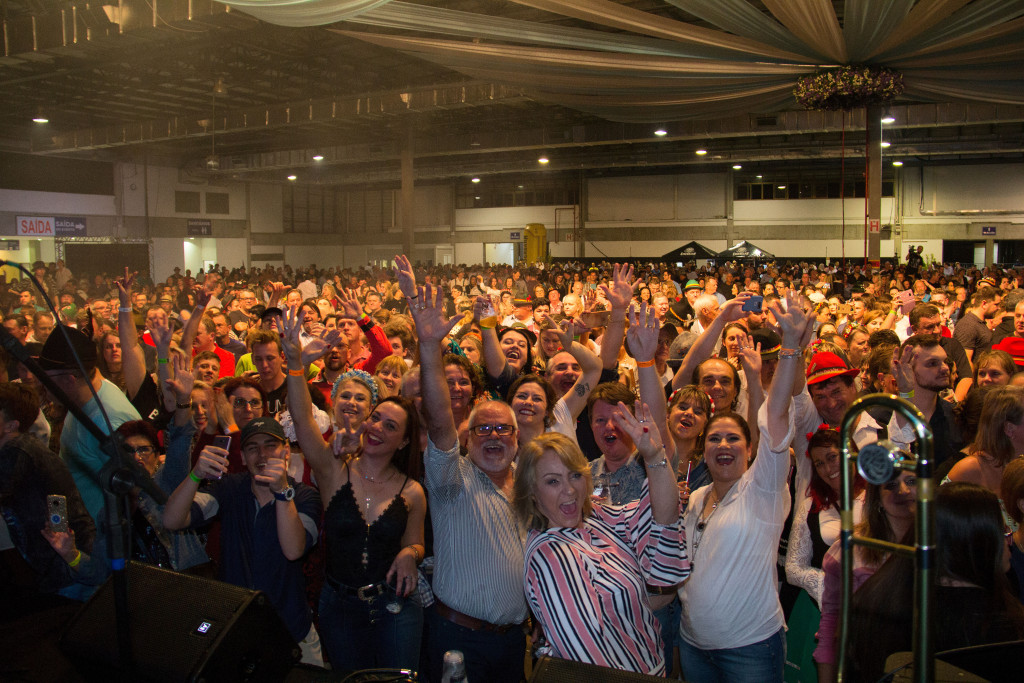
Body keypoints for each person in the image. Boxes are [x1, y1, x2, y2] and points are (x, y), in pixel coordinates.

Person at [395, 256, 529, 683]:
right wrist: (430, 346)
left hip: (512, 642)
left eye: (503, 429)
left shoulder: (529, 487)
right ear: (466, 439)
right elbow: (437, 419)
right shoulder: (450, 479)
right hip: (457, 638)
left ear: (517, 438)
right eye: (482, 429)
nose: (493, 436)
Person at [278, 305, 426, 671]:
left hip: (396, 606)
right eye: (376, 419)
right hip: (339, 605)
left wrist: (411, 554)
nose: (376, 428)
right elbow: (301, 416)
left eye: (391, 427)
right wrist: (295, 365)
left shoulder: (412, 491)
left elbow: (416, 541)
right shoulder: (333, 470)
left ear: (404, 442)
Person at [677, 290, 811, 683]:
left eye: (733, 439)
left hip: (749, 647)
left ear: (750, 448)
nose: (722, 445)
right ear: (703, 451)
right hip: (692, 645)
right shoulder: (697, 497)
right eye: (714, 439)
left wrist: (789, 346)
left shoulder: (763, 489)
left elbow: (777, 411)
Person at [514, 425, 686, 675]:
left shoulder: (596, 520)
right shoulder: (552, 556)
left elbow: (663, 517)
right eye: (553, 481)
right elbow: (590, 663)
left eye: (574, 475)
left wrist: (655, 454)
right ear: (531, 492)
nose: (570, 490)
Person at [162, 416, 324, 666]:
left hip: (292, 630)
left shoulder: (304, 496)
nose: (262, 455)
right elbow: (172, 520)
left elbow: (293, 550)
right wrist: (195, 475)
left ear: (287, 453)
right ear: (242, 457)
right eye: (252, 448)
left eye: (270, 445)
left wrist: (282, 493)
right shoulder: (229, 488)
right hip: (237, 627)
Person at [847, 483, 1024, 682]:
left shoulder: (878, 597)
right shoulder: (992, 625)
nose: (1008, 543)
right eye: (1002, 533)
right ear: (976, 543)